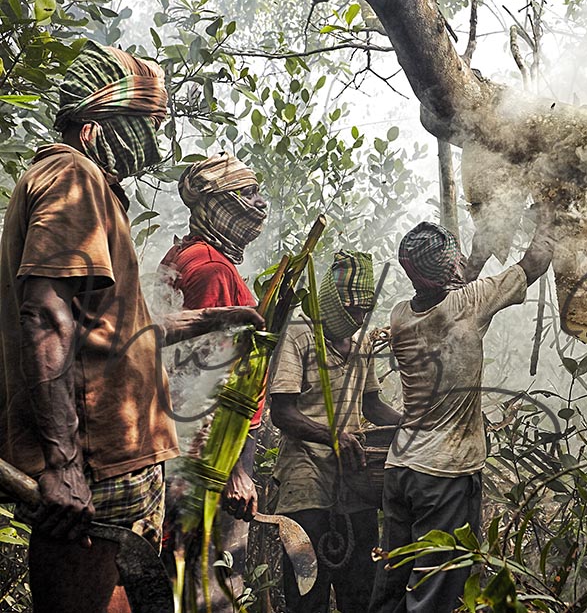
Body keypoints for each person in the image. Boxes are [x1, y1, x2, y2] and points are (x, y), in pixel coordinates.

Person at [0, 41, 263, 613]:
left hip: (116, 462)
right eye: (139, 126)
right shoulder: (73, 175)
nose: (149, 143)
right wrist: (64, 464)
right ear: (93, 128)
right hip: (96, 464)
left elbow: (106, 334)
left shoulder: (84, 188)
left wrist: (202, 320)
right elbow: (46, 316)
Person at [369, 216, 553, 613]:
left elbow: (453, 280)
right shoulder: (468, 304)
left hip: (401, 467)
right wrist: (549, 213)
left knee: (394, 580)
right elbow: (534, 263)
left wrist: (478, 249)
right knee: (436, 590)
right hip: (444, 473)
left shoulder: (401, 316)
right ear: (450, 268)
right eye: (454, 260)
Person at [158, 151, 268, 604]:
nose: (258, 205)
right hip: (214, 447)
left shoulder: (186, 255)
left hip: (188, 445)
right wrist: (233, 471)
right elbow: (202, 376)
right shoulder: (212, 270)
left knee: (183, 573)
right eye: (246, 194)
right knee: (215, 581)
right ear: (219, 204)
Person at [268, 250, 401, 613]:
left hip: (354, 478)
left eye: (364, 311)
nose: (359, 319)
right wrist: (332, 437)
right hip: (305, 479)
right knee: (306, 590)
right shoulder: (300, 335)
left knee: (359, 587)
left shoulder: (361, 345)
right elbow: (282, 411)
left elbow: (372, 404)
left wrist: (410, 425)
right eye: (352, 310)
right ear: (332, 301)